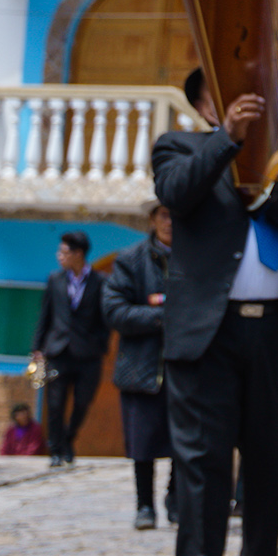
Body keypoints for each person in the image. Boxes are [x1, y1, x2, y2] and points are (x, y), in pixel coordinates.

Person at [155, 67, 278, 556]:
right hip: (209, 334)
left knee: (272, 456)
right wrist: (227, 140)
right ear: (206, 107)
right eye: (231, 99)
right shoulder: (179, 148)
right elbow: (176, 195)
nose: (249, 105)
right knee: (203, 460)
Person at [102, 204, 175, 530]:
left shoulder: (196, 257)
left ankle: (177, 501)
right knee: (142, 443)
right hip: (140, 366)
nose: (170, 222)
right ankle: (144, 504)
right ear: (152, 219)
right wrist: (164, 317)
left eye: (176, 215)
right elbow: (115, 311)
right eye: (163, 215)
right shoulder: (130, 259)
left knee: (183, 442)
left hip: (184, 365)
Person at [31, 230, 107, 465]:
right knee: (55, 403)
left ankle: (68, 438)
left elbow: (105, 318)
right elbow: (46, 315)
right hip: (58, 351)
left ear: (79, 254)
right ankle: (55, 450)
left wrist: (100, 344)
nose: (59, 256)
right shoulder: (55, 280)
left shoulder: (100, 281)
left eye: (63, 252)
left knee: (83, 401)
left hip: (88, 354)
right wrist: (38, 347)